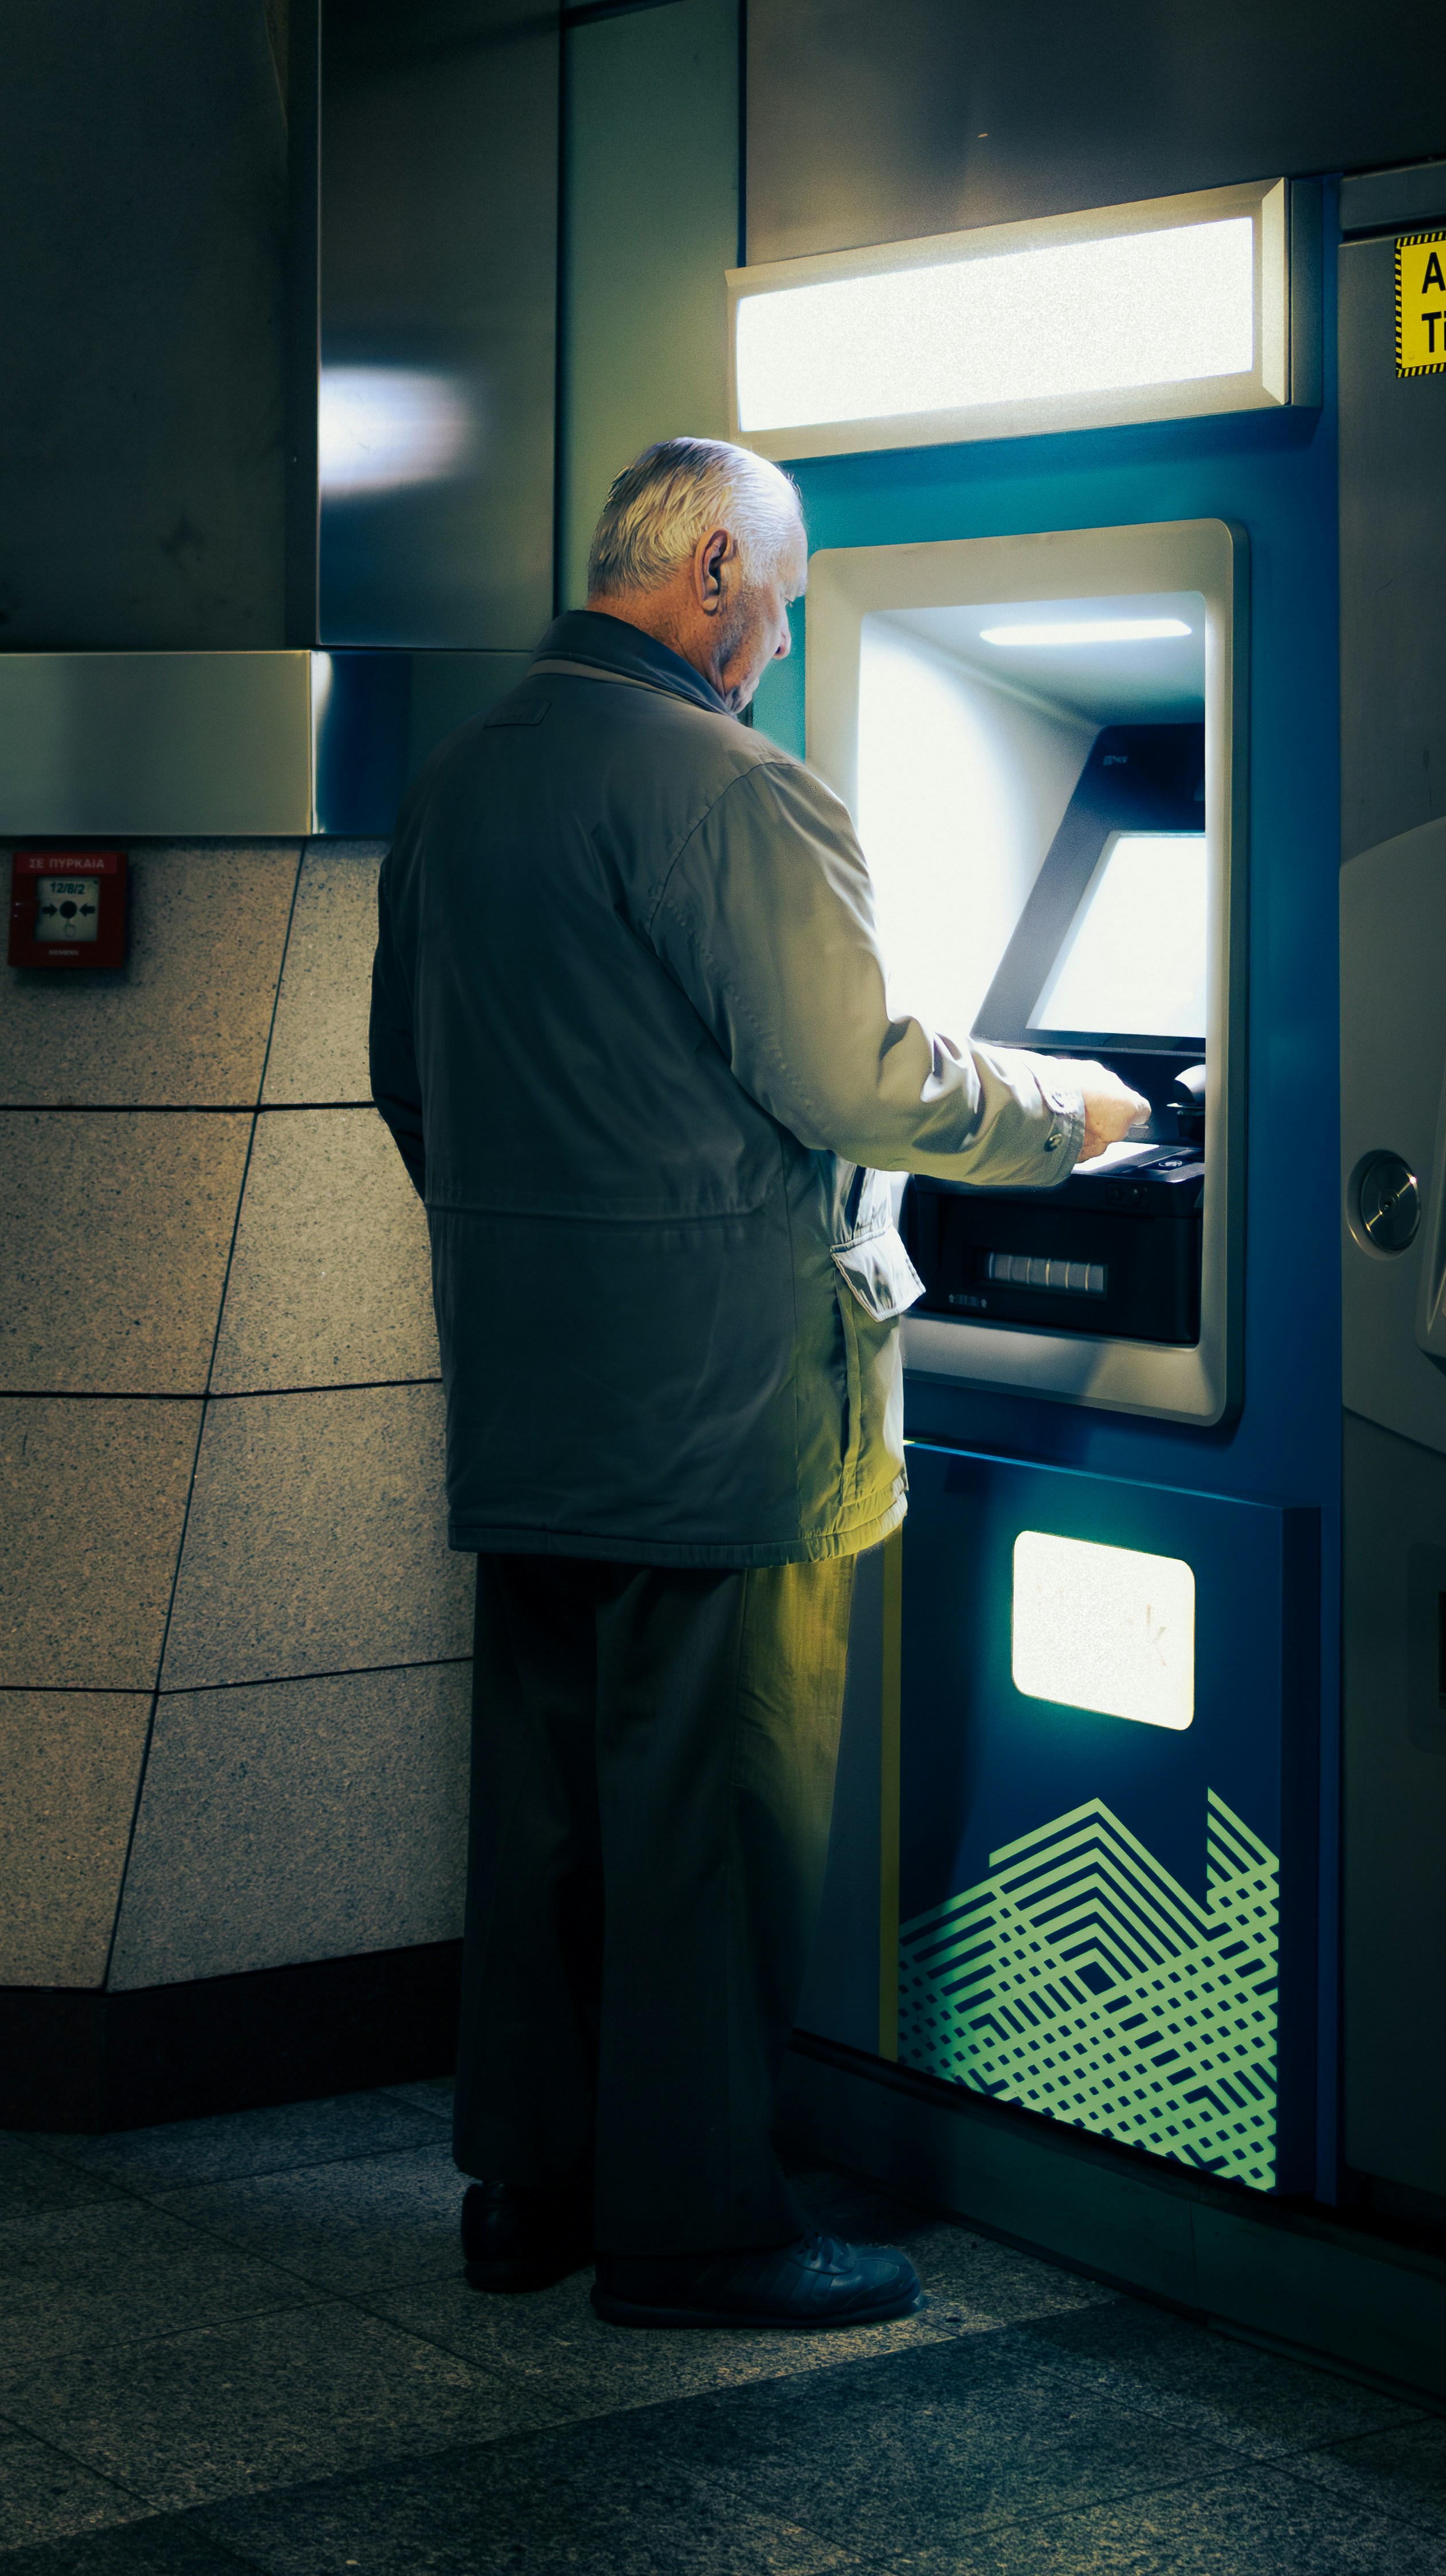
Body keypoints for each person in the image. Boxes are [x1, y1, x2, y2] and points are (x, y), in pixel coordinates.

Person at [369, 438, 1148, 2332]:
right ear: (713, 568)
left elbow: (410, 1076)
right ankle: (699, 2224)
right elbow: (858, 1078)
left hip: (534, 1395)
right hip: (728, 1412)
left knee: (549, 1811)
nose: (781, 638)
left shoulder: (466, 778)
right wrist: (1078, 1106)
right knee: (710, 1822)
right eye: (781, 597)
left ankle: (528, 2190)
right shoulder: (733, 789)